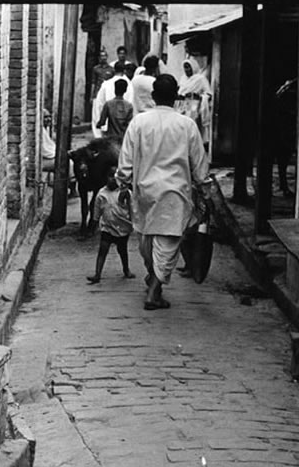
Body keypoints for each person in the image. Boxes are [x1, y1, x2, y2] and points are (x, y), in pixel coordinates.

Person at [116, 74, 209, 310]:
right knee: (167, 243)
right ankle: (154, 291)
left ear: (154, 96)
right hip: (175, 194)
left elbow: (125, 159)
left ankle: (154, 282)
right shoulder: (186, 125)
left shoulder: (139, 123)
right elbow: (199, 164)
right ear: (176, 96)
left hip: (144, 192)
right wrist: (204, 189)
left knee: (147, 241)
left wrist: (122, 183)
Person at [86, 166, 135, 284]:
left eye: (115, 177)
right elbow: (96, 211)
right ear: (105, 178)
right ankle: (97, 274)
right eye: (110, 176)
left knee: (122, 250)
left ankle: (126, 270)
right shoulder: (101, 194)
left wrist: (133, 222)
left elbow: (132, 208)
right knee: (103, 249)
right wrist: (94, 223)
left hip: (122, 227)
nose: (112, 179)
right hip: (107, 227)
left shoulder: (125, 192)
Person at [177, 58, 213, 149]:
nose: (186, 70)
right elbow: (180, 92)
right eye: (185, 67)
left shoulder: (200, 79)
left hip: (195, 106)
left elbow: (209, 94)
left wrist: (199, 96)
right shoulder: (183, 79)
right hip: (183, 105)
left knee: (192, 126)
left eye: (188, 67)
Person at [92, 63, 133, 139]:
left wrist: (98, 126)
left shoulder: (106, 86)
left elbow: (99, 104)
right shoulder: (130, 86)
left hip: (109, 133)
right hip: (124, 133)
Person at [96, 78, 133, 144]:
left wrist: (98, 125)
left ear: (115, 89)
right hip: (123, 138)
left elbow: (102, 122)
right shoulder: (129, 106)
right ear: (125, 90)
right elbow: (129, 124)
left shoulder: (108, 104)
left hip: (110, 138)